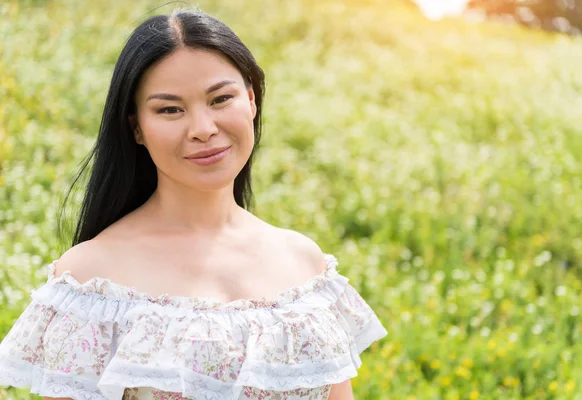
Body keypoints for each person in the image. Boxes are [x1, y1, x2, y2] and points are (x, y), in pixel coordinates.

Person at [0, 7, 387, 400]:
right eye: (170, 109)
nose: (203, 129)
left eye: (221, 99)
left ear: (251, 100)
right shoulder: (90, 282)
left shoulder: (306, 268)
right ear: (136, 126)